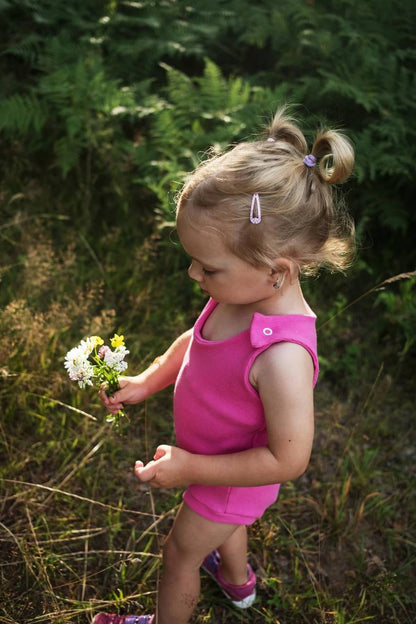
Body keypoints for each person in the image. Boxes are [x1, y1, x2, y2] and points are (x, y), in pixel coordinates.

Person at [93, 108, 355, 624]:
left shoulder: (282, 357)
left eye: (207, 266)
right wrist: (146, 381)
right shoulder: (241, 292)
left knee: (180, 554)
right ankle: (238, 584)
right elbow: (196, 341)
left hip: (229, 476)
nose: (194, 273)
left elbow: (288, 459)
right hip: (210, 459)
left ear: (275, 271)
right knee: (222, 530)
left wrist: (193, 468)